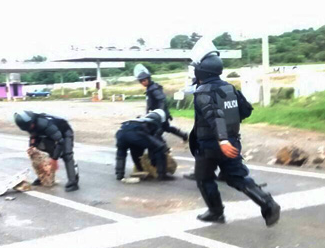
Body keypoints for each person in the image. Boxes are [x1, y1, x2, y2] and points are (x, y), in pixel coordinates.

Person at [189, 38, 280, 226]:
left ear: (201, 71)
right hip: (232, 143)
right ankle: (267, 203)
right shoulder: (229, 88)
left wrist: (222, 139)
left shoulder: (202, 92)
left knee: (204, 178)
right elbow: (245, 110)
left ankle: (216, 212)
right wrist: (229, 132)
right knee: (236, 177)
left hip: (211, 145)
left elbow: (215, 116)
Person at [13, 110, 79, 192]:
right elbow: (33, 135)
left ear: (32, 121)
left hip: (64, 132)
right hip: (48, 134)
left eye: (30, 126)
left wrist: (54, 159)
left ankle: (73, 182)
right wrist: (31, 146)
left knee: (67, 155)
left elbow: (60, 141)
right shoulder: (30, 124)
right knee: (38, 152)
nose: (30, 128)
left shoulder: (44, 123)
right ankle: (43, 176)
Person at [134, 64, 189, 142]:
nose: (143, 82)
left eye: (144, 80)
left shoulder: (154, 88)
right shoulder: (150, 88)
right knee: (166, 128)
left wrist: (160, 113)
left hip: (159, 114)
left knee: (156, 131)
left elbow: (162, 100)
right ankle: (184, 135)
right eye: (141, 81)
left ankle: (162, 147)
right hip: (157, 113)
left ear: (148, 79)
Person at [115, 109, 172, 181]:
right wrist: (164, 149)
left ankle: (120, 174)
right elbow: (156, 142)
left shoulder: (140, 120)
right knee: (159, 148)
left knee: (122, 153)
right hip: (136, 134)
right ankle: (161, 175)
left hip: (121, 133)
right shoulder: (153, 123)